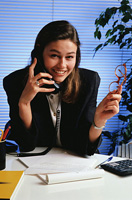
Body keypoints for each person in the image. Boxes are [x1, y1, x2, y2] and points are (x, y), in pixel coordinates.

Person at [3, 20, 122, 156]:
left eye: (70, 57)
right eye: (54, 56)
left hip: (74, 164)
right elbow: (26, 145)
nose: (62, 65)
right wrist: (24, 103)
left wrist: (100, 120)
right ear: (39, 53)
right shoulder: (15, 82)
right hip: (35, 164)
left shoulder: (89, 81)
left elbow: (87, 149)